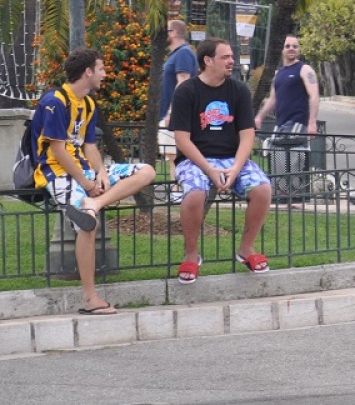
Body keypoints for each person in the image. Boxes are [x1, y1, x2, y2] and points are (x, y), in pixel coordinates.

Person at [33, 48, 156, 314]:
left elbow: (89, 146)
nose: (104, 74)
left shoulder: (88, 103)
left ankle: (94, 204)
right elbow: (57, 151)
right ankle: (91, 300)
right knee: (88, 228)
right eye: (101, 69)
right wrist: (87, 183)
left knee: (146, 172)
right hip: (57, 174)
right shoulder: (54, 101)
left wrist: (100, 173)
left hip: (85, 173)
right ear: (88, 71)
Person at [169, 38, 274, 283]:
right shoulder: (186, 91)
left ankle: (246, 249)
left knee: (263, 189)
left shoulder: (238, 90)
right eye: (225, 57)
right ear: (208, 61)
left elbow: (247, 135)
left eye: (231, 56)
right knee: (194, 193)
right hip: (195, 160)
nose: (232, 61)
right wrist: (208, 168)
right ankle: (192, 255)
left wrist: (236, 169)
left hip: (231, 158)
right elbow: (182, 140)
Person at [158, 19, 198, 201]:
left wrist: (171, 112)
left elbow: (183, 81)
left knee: (176, 154)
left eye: (166, 31)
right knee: (171, 154)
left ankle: (178, 191)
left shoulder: (183, 53)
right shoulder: (175, 54)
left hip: (175, 115)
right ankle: (177, 190)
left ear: (174, 32)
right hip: (169, 113)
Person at [254, 35, 320, 136]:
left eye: (295, 46)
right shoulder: (278, 74)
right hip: (280, 123)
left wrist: (312, 122)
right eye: (287, 46)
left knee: (290, 150)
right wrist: (259, 117)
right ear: (282, 49)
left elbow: (314, 96)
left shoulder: (305, 69)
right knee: (273, 150)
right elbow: (273, 99)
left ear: (299, 50)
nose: (291, 49)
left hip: (298, 122)